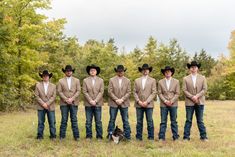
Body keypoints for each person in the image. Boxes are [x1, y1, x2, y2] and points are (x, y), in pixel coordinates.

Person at [183, 61, 208, 141]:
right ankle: (186, 137)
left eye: (195, 67)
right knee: (188, 120)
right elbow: (184, 90)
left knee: (200, 120)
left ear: (197, 68)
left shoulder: (202, 78)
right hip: (189, 102)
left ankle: (203, 137)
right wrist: (192, 97)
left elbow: (204, 89)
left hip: (200, 101)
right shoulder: (185, 78)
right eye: (192, 67)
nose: (193, 69)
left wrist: (197, 96)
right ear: (190, 69)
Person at [107, 65, 131, 140]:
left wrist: (122, 99)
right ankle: (110, 135)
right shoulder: (111, 80)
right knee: (112, 119)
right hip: (114, 103)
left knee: (125, 120)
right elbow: (110, 91)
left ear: (124, 71)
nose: (120, 72)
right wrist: (116, 99)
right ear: (117, 71)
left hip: (124, 103)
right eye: (119, 71)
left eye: (121, 71)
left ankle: (127, 136)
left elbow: (129, 92)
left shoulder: (127, 80)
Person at [133, 64, 157, 140]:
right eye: (143, 69)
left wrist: (147, 101)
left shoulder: (153, 80)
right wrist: (138, 101)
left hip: (149, 104)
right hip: (139, 104)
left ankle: (151, 137)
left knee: (149, 121)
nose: (145, 71)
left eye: (147, 69)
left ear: (149, 71)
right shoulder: (137, 80)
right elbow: (134, 92)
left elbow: (154, 92)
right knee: (139, 121)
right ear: (141, 71)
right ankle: (138, 137)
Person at [57, 65, 81, 141]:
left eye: (70, 71)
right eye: (67, 71)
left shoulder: (76, 80)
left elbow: (78, 91)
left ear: (72, 72)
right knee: (64, 119)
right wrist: (66, 99)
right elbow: (59, 91)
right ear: (65, 72)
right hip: (64, 103)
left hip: (74, 102)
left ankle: (76, 136)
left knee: (74, 119)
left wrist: (72, 99)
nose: (68, 72)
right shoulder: (61, 81)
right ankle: (62, 136)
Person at [158, 66, 180, 141]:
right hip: (163, 104)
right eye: (166, 72)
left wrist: (171, 101)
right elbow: (159, 93)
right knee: (163, 121)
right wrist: (165, 101)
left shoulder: (176, 81)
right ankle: (161, 137)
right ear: (164, 73)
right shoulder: (160, 82)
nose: (167, 73)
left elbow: (177, 93)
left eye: (169, 71)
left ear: (171, 73)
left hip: (173, 104)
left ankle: (175, 137)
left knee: (174, 121)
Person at [83, 64, 104, 140]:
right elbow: (85, 92)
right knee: (88, 121)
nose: (92, 71)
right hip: (88, 104)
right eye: (91, 70)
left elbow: (101, 92)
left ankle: (99, 136)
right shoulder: (85, 80)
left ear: (96, 72)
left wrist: (95, 101)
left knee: (98, 121)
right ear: (89, 72)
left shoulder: (101, 80)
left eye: (94, 70)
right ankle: (88, 136)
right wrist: (90, 100)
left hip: (98, 103)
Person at [35, 70, 56, 140]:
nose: (45, 77)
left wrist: (47, 103)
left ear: (49, 77)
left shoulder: (53, 86)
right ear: (42, 77)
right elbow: (37, 96)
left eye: (47, 76)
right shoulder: (38, 85)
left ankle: (53, 136)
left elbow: (53, 96)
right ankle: (40, 136)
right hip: (41, 107)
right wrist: (43, 104)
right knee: (41, 122)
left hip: (50, 106)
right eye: (44, 76)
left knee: (52, 122)